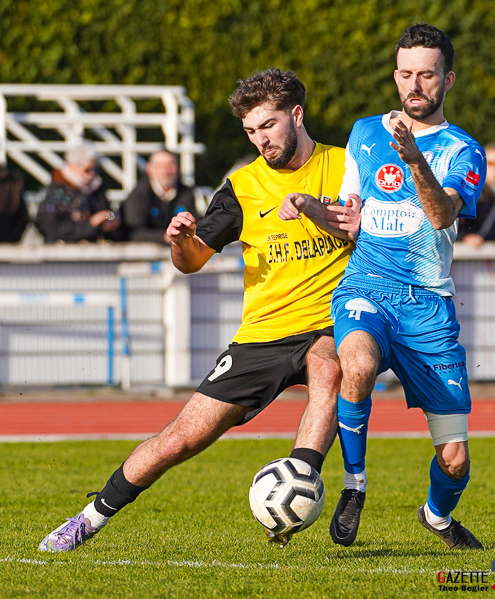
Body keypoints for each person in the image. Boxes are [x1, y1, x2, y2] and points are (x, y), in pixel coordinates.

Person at [38, 68, 359, 553]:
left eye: (268, 126)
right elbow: (191, 264)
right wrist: (181, 242)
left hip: (331, 320)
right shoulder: (242, 187)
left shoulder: (348, 166)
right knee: (180, 440)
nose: (260, 140)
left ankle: (299, 486)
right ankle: (88, 519)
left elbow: (361, 229)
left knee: (329, 368)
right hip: (263, 334)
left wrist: (313, 208)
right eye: (250, 132)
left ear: (296, 114)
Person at [327, 23, 486, 550]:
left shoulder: (465, 151)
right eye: (405, 74)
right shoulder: (363, 132)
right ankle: (354, 485)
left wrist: (414, 156)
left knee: (456, 461)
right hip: (366, 286)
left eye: (426, 75)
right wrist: (312, 210)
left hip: (427, 307)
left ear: (448, 79)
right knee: (358, 364)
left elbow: (441, 216)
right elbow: (351, 217)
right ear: (395, 77)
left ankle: (437, 517)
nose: (414, 85)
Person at [34, 142, 123, 243]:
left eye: (96, 169)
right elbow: (50, 228)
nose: (92, 174)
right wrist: (90, 224)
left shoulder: (97, 188)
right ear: (72, 166)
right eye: (87, 170)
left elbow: (108, 212)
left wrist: (111, 220)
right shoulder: (56, 191)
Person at [119, 149, 198, 243]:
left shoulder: (187, 192)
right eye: (161, 166)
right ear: (149, 169)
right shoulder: (139, 195)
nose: (166, 170)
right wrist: (165, 236)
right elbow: (133, 232)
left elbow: (195, 223)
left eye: (171, 165)